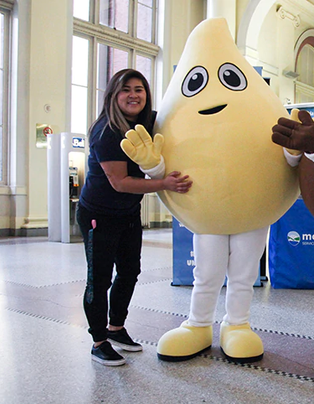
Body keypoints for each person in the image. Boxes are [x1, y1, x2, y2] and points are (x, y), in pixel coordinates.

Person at [77, 68, 192, 366]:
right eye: (126, 89)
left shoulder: (146, 122)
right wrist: (164, 184)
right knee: (99, 279)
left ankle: (116, 328)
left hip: (127, 212)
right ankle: (99, 341)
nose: (133, 95)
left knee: (129, 272)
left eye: (139, 89)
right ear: (114, 95)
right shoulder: (106, 131)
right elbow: (120, 182)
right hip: (98, 215)